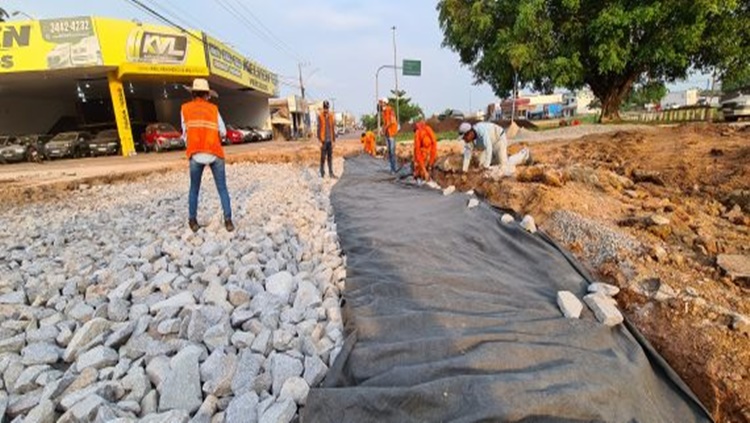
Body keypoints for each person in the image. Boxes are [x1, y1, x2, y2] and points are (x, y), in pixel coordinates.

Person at [181, 78, 234, 233]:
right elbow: (223, 132)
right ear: (206, 94)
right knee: (222, 188)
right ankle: (228, 221)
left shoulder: (185, 109)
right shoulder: (213, 109)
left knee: (194, 189)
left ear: (193, 93)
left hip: (195, 153)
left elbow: (185, 133)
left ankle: (192, 221)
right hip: (214, 152)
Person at [458, 121, 531, 174]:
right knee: (481, 164)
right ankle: (498, 157)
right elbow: (467, 155)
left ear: (469, 133)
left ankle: (524, 154)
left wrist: (486, 166)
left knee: (504, 167)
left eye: (464, 138)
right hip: (488, 146)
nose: (464, 140)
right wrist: (464, 171)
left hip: (498, 139)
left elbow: (489, 147)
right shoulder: (469, 141)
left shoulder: (481, 130)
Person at [317, 100, 336, 178]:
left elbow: (333, 129)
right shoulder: (320, 116)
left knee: (330, 158)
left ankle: (331, 173)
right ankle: (322, 173)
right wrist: (319, 141)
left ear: (328, 108)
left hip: (330, 141)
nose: (326, 109)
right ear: (323, 107)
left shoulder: (331, 116)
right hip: (323, 141)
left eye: (327, 108)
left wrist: (334, 140)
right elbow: (319, 129)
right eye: (324, 108)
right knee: (322, 158)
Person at [379, 97, 398, 172]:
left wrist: (385, 128)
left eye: (381, 103)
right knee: (389, 151)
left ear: (385, 103)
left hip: (391, 133)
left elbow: (392, 121)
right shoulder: (384, 112)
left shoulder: (390, 110)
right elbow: (385, 123)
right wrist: (383, 129)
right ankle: (391, 168)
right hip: (387, 133)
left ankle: (394, 169)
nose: (380, 104)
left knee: (392, 151)